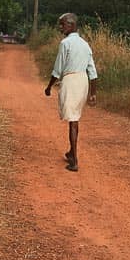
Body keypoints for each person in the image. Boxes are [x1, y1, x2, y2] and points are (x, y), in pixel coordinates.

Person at [44, 13, 98, 172]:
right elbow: (92, 72)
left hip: (70, 81)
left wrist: (48, 87)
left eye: (63, 25)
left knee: (73, 120)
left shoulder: (65, 43)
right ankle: (71, 151)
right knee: (75, 118)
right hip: (83, 82)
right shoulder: (85, 44)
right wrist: (93, 93)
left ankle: (74, 160)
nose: (60, 28)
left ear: (72, 25)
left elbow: (57, 69)